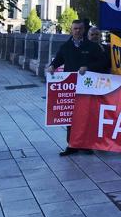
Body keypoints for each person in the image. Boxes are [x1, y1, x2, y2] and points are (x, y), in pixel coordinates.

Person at [45, 20, 105, 156]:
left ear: (84, 30)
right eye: (75, 29)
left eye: (80, 29)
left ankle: (85, 144)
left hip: (88, 86)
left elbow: (102, 62)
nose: (77, 31)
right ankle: (71, 144)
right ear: (71, 30)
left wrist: (88, 67)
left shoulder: (91, 46)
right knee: (70, 116)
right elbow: (58, 59)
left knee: (86, 115)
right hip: (70, 87)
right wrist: (52, 66)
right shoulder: (66, 46)